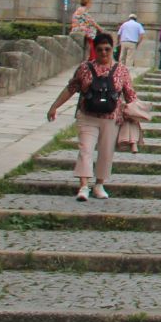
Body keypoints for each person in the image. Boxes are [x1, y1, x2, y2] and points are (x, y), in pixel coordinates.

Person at [45, 32, 136, 201]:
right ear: (95, 49)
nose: (103, 53)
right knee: (85, 149)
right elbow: (71, 88)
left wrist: (136, 116)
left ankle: (99, 184)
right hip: (87, 115)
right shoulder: (85, 68)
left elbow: (130, 94)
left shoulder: (122, 70)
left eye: (107, 49)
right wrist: (54, 106)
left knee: (106, 152)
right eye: (100, 49)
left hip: (111, 117)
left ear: (112, 49)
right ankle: (84, 186)